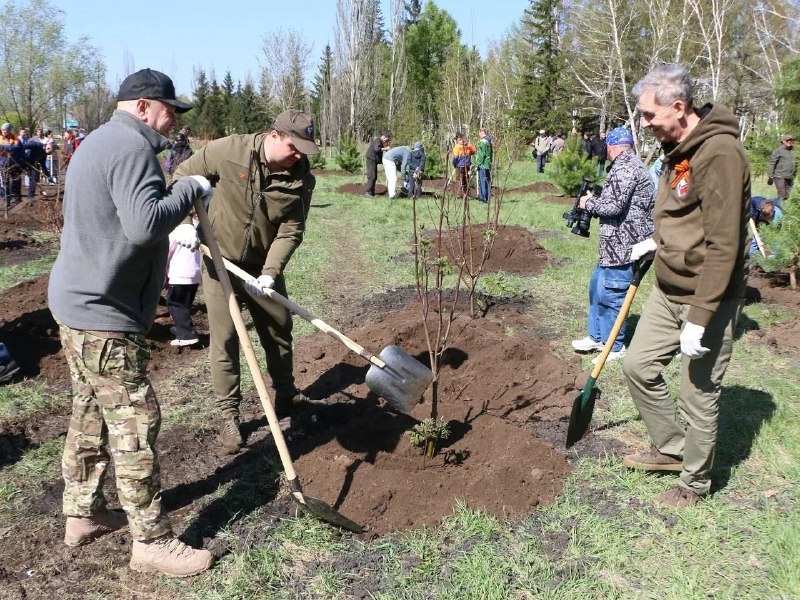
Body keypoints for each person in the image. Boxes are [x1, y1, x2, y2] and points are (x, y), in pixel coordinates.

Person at [47, 68, 215, 577]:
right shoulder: (132, 148)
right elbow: (144, 226)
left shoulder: (99, 141)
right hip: (103, 312)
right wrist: (190, 189)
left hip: (76, 302)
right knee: (135, 422)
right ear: (143, 105)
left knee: (90, 412)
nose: (172, 121)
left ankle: (83, 512)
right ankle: (151, 542)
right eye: (168, 109)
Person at [621, 63, 750, 508]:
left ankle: (694, 483)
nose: (644, 124)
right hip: (668, 289)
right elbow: (683, 211)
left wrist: (699, 319)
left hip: (706, 297)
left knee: (699, 392)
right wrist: (656, 241)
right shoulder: (681, 149)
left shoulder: (719, 155)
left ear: (678, 107)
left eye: (649, 115)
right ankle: (673, 449)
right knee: (637, 365)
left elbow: (724, 244)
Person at [174, 109, 318, 455]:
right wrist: (182, 222)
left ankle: (285, 393)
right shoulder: (228, 151)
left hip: (261, 267)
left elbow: (291, 229)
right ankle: (228, 413)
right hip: (218, 261)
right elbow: (182, 175)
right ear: (274, 135)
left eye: (304, 149)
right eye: (293, 147)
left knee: (279, 330)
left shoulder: (301, 179)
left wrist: (270, 272)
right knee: (224, 339)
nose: (298, 155)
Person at [571, 127, 655, 364]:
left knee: (612, 295)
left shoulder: (626, 166)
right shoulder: (624, 165)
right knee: (597, 288)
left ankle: (614, 347)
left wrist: (588, 203)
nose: (605, 149)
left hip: (624, 244)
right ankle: (597, 337)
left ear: (613, 145)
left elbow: (613, 206)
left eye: (607, 144)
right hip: (613, 244)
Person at [167, 214, 202, 346]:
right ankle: (181, 327)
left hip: (180, 273)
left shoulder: (179, 229)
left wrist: (164, 268)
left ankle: (187, 334)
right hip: (195, 274)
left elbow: (168, 250)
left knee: (174, 304)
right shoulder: (199, 229)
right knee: (184, 304)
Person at [0, 123, 26, 207]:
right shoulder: (0, 138)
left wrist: (20, 163)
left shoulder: (15, 139)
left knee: (14, 181)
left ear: (9, 130)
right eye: (2, 130)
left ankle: (16, 197)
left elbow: (19, 151)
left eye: (5, 130)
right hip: (3, 163)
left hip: (13, 163)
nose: (3, 132)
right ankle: (7, 200)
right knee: (5, 182)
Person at [767, 134, 795, 202]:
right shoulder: (778, 150)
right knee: (782, 195)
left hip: (789, 176)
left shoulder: (792, 151)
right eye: (787, 140)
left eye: (790, 140)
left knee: (788, 195)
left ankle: (786, 210)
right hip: (779, 176)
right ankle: (779, 211)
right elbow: (772, 163)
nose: (789, 142)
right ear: (783, 141)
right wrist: (770, 176)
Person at [365, 131, 391, 197]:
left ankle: (372, 192)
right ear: (384, 137)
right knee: (372, 176)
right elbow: (376, 149)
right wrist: (386, 148)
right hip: (371, 160)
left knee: (374, 176)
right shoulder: (378, 140)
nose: (386, 141)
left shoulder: (379, 142)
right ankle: (368, 192)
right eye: (387, 139)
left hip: (373, 161)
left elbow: (378, 153)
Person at [452, 132, 476, 199]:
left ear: (458, 139)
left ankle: (459, 195)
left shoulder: (457, 147)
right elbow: (473, 152)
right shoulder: (468, 145)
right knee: (466, 180)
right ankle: (467, 194)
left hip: (459, 166)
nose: (456, 140)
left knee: (459, 180)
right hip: (467, 165)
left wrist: (454, 164)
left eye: (456, 139)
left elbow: (455, 157)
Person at [476, 129, 493, 203]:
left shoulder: (482, 142)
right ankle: (489, 198)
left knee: (482, 182)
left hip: (482, 164)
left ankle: (482, 200)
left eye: (479, 133)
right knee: (488, 181)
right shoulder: (489, 142)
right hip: (488, 164)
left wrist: (477, 164)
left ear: (481, 132)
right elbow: (491, 153)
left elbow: (481, 154)